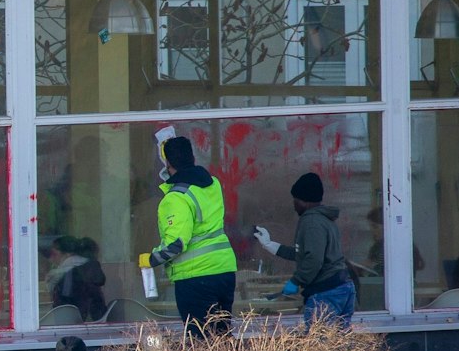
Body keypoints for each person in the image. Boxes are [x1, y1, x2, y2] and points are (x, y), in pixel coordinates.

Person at [148, 136, 237, 335]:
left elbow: (176, 244)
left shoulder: (176, 198)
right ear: (193, 158)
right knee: (222, 337)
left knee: (201, 341)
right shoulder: (212, 184)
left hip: (196, 276)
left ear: (168, 164)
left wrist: (151, 259)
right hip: (224, 271)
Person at [254, 172, 353, 327]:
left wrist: (296, 280)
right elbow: (305, 254)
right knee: (336, 345)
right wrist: (271, 245)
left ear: (305, 201)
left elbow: (313, 259)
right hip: (340, 288)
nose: (294, 205)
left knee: (320, 345)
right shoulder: (325, 220)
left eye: (296, 200)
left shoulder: (311, 222)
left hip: (326, 292)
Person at [44, 236, 108, 321]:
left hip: (72, 323)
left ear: (68, 254)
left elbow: (64, 305)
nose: (51, 259)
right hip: (97, 321)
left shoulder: (66, 274)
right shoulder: (89, 268)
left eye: (53, 254)